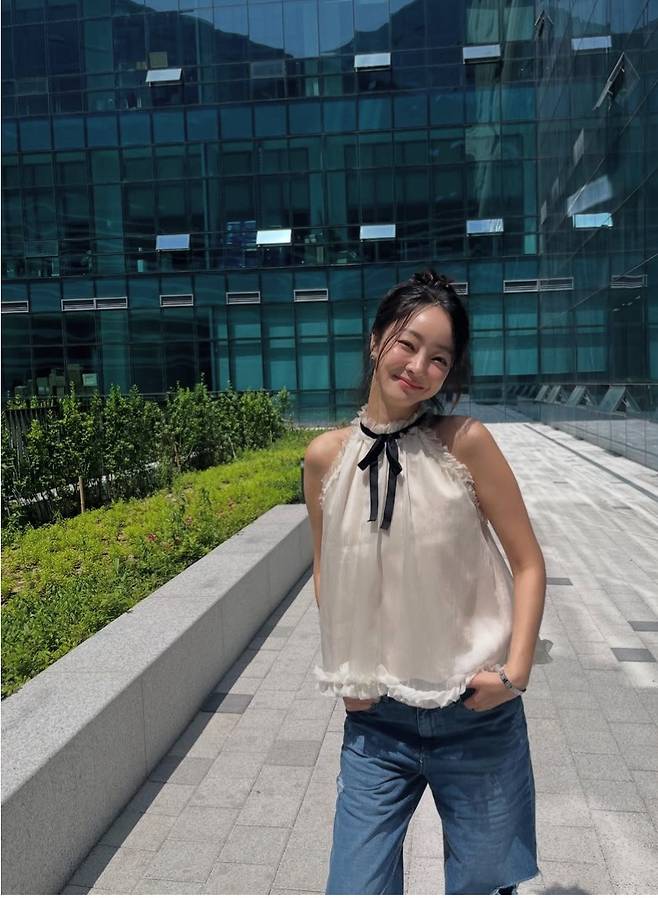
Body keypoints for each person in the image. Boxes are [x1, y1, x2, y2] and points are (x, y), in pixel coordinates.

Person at [303, 269, 552, 895]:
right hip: (378, 723)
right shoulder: (325, 457)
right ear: (376, 339)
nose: (419, 367)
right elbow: (326, 572)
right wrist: (349, 674)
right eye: (408, 344)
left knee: (481, 888)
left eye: (439, 358)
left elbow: (528, 562)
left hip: (475, 713)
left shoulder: (465, 443)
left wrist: (514, 674)